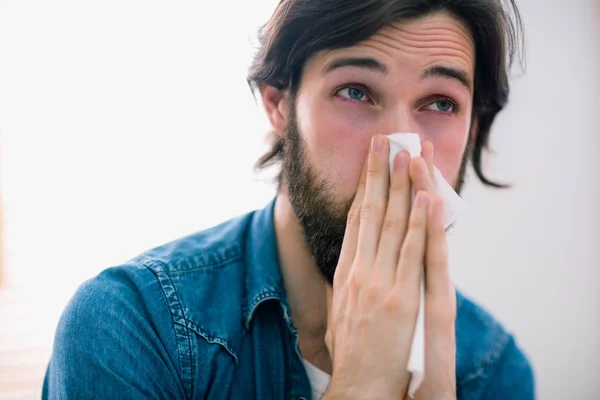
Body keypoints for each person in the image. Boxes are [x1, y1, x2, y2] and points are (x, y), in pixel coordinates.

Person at [43, 0, 535, 398]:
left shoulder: (495, 372)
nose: (398, 156)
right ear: (280, 105)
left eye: (440, 103)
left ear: (472, 129)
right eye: (356, 92)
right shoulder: (131, 327)